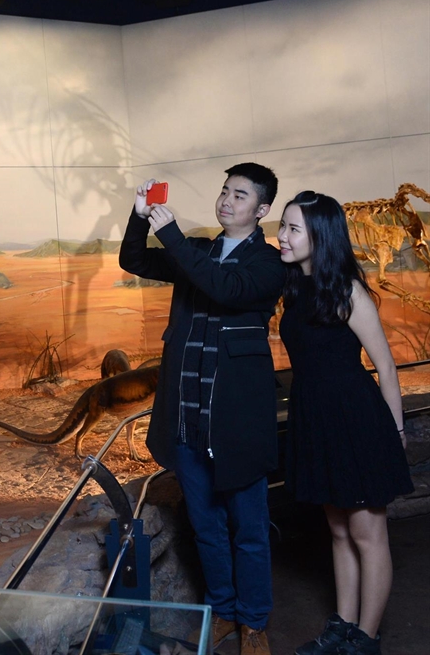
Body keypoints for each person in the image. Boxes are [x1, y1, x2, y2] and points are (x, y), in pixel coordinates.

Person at [119, 164, 284, 655]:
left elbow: (225, 288)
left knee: (249, 531)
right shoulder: (201, 252)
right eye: (225, 191)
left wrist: (171, 234)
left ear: (262, 210)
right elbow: (133, 259)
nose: (227, 201)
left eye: (240, 195)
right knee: (206, 526)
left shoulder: (268, 263)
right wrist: (138, 216)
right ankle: (226, 612)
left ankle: (255, 622)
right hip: (187, 419)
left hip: (235, 425)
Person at [277, 191, 413, 655]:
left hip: (355, 421)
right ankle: (343, 626)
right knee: (337, 530)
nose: (283, 236)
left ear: (321, 235)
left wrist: (395, 436)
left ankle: (366, 639)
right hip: (314, 421)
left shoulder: (348, 291)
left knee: (366, 532)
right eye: (283, 226)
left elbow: (387, 369)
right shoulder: (294, 287)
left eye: (294, 229)